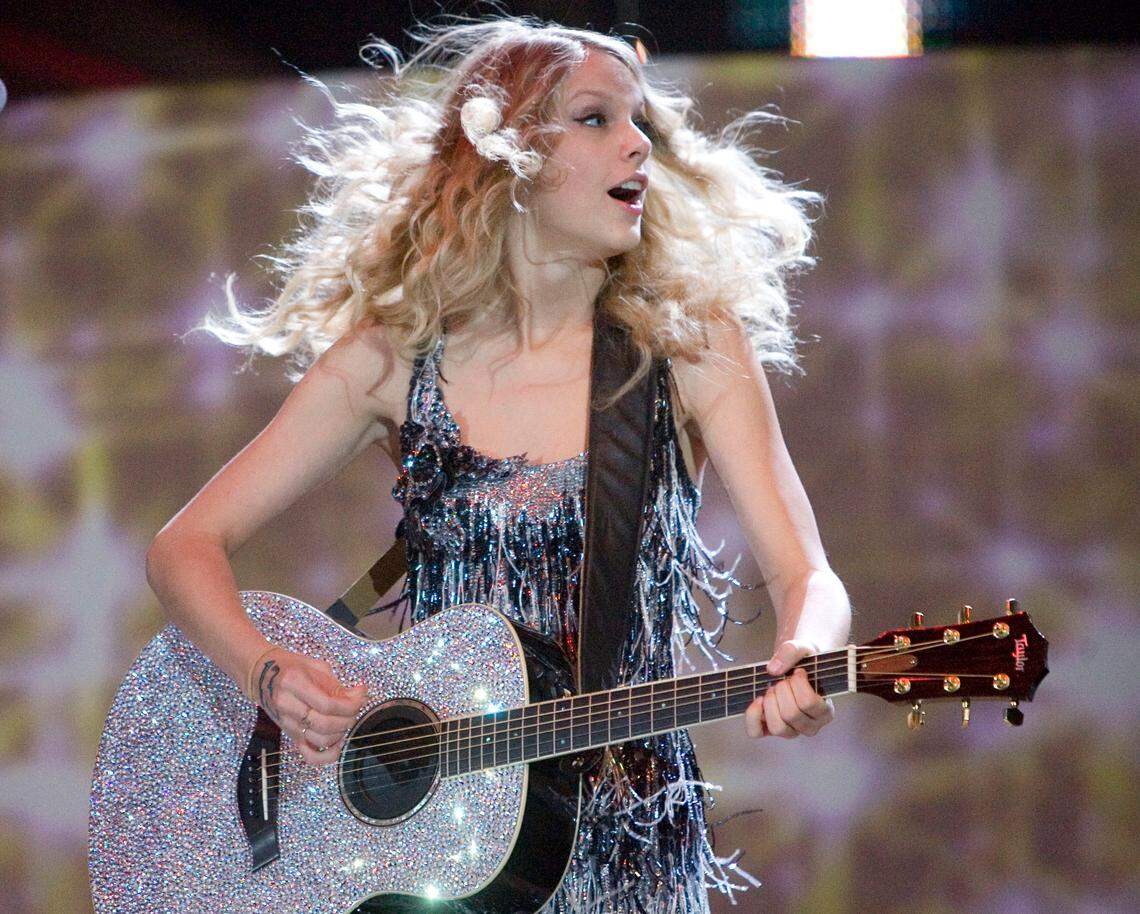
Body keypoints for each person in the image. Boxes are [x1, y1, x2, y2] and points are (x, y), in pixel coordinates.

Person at [144, 14, 851, 913]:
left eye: (639, 121)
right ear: (505, 154)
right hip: (432, 856)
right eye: (596, 119)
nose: (638, 143)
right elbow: (183, 547)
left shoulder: (687, 348)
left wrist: (807, 649)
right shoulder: (393, 359)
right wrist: (269, 675)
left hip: (623, 854)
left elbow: (808, 576)